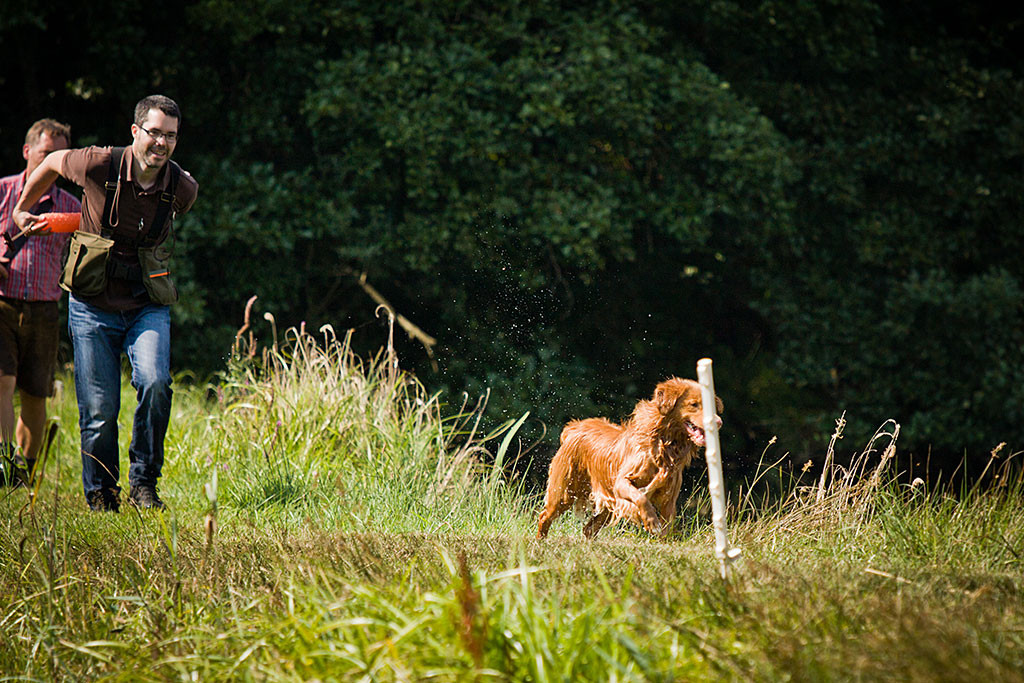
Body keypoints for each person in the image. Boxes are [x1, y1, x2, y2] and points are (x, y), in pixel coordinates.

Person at [12, 95, 198, 512]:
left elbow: (179, 208)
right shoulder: (99, 162)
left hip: (146, 303)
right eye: (154, 133)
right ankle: (101, 493)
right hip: (92, 304)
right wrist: (23, 208)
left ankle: (144, 484)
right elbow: (52, 163)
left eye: (170, 136)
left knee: (155, 382)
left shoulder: (181, 187)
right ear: (136, 132)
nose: (161, 143)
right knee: (99, 409)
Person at [0, 119, 80, 487]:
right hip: (2, 303)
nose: (57, 162)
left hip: (46, 309)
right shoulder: (3, 192)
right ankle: (3, 464)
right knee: (2, 382)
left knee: (35, 393)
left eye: (63, 156)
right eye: (49, 153)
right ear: (27, 152)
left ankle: (25, 472)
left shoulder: (71, 205)